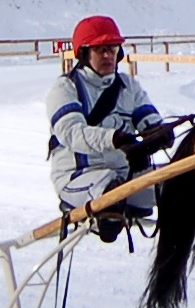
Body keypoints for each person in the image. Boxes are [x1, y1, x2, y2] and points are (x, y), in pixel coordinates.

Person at [45, 14, 173, 240]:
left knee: (180, 182)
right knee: (110, 189)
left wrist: (160, 135)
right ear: (83, 54)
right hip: (78, 178)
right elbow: (73, 133)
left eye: (112, 49)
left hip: (125, 179)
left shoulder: (128, 86)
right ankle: (109, 213)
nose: (107, 56)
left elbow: (150, 121)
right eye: (100, 50)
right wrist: (115, 139)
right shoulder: (65, 87)